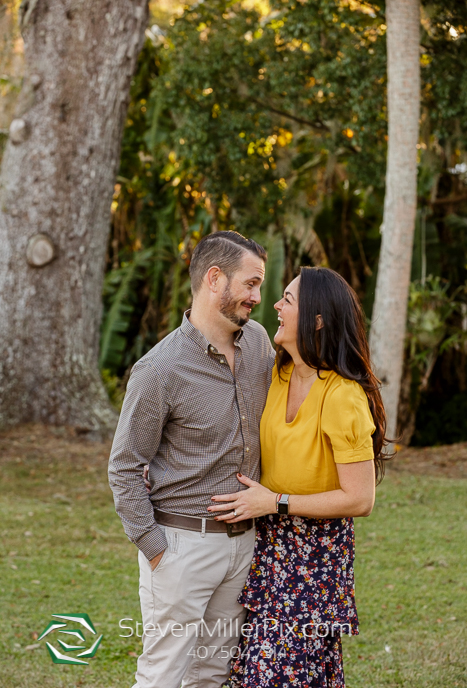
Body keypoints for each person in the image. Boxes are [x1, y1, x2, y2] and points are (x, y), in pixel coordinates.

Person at [108, 230, 276, 688]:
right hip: (182, 545)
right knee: (164, 674)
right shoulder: (160, 369)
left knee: (214, 673)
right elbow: (124, 466)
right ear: (214, 278)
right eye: (251, 284)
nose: (257, 297)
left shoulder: (260, 343)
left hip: (244, 544)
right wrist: (156, 549)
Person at [209, 266, 389, 688]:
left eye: (287, 299)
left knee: (274, 673)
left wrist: (276, 502)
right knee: (272, 671)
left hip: (316, 556)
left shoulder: (343, 395)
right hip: (270, 545)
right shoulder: (277, 374)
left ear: (317, 318)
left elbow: (360, 499)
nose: (275, 304)